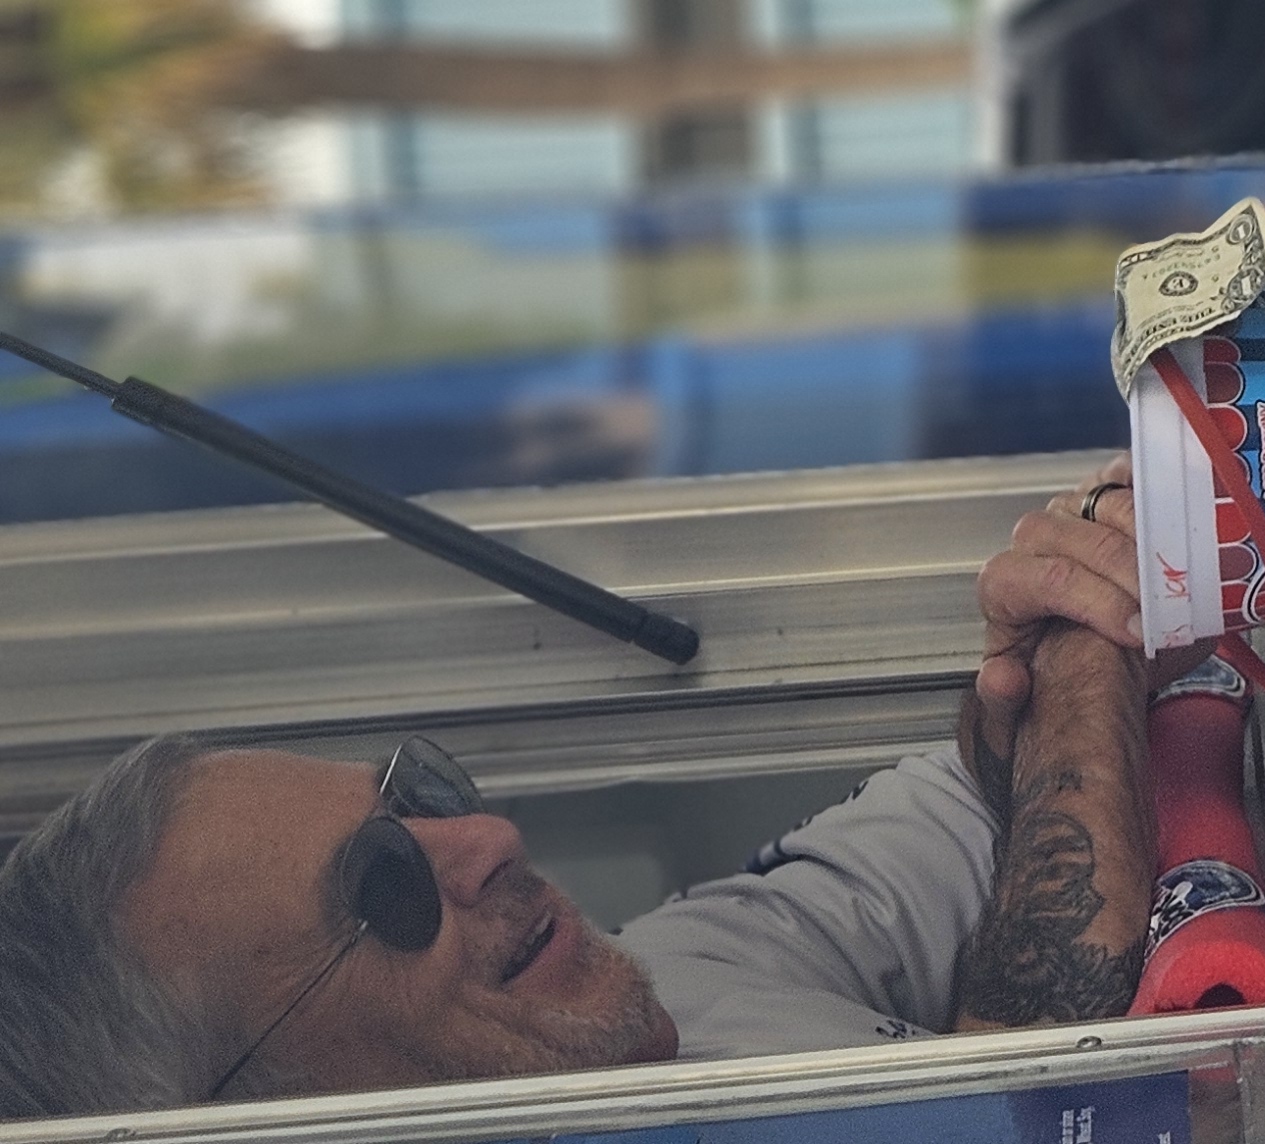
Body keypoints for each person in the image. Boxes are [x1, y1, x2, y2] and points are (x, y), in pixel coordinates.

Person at [0, 473, 1168, 1115]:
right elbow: (1049, 1103)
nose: (488, 836)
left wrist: (1063, 611)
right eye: (388, 880)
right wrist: (1084, 676)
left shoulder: (664, 982)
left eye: (417, 799)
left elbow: (978, 818)